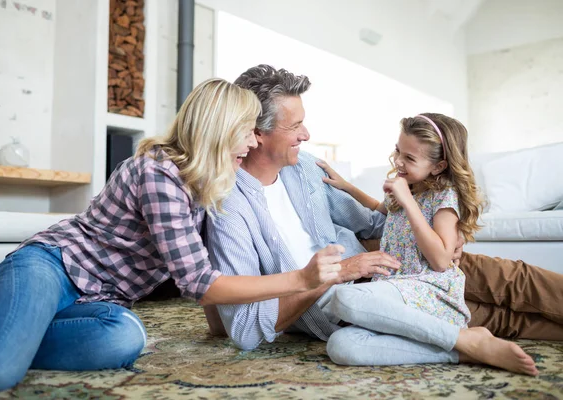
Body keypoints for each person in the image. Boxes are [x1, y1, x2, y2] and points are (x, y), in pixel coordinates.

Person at [0, 78, 357, 393]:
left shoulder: (212, 182)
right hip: (54, 266)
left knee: (124, 339)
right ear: (219, 130)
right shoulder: (160, 172)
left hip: (102, 298)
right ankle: (1, 344)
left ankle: (11, 336)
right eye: (246, 132)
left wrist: (221, 325)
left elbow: (205, 268)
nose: (253, 142)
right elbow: (200, 284)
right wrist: (303, 279)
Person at [205, 65, 563, 370]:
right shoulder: (229, 208)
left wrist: (448, 229)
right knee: (503, 320)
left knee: (509, 279)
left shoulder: (306, 168)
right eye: (295, 126)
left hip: (394, 263)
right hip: (358, 301)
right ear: (257, 133)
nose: (307, 134)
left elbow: (376, 224)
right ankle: (466, 342)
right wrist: (337, 274)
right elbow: (247, 328)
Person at [316, 113, 534, 375]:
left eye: (409, 158)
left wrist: (408, 201)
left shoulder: (443, 197)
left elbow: (441, 260)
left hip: (428, 290)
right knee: (342, 346)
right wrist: (346, 186)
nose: (398, 161)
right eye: (398, 151)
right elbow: (379, 208)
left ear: (439, 166)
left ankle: (458, 338)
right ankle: (462, 348)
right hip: (397, 291)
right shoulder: (408, 186)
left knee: (344, 297)